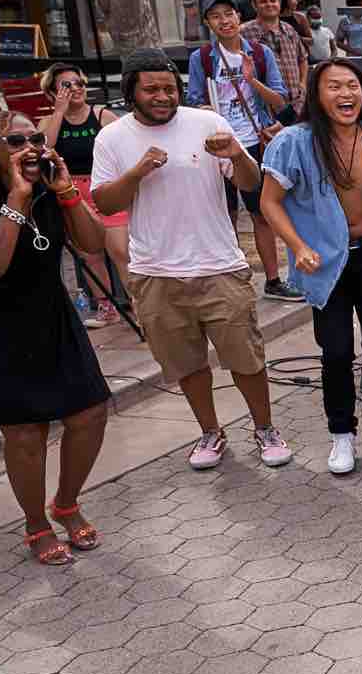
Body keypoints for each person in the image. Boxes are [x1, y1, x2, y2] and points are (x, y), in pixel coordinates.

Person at [90, 50, 294, 471]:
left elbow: (251, 182)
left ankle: (265, 429)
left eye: (168, 88)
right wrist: (137, 172)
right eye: (151, 89)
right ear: (131, 91)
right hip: (155, 274)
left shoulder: (207, 123)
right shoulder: (112, 139)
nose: (162, 96)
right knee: (187, 365)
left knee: (246, 358)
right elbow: (104, 202)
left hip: (219, 265)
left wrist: (237, 154)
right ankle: (210, 432)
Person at [0, 113, 112, 564]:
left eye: (35, 137)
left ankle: (66, 503)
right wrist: (17, 198)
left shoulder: (51, 184)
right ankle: (35, 524)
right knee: (26, 430)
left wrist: (67, 191)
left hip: (50, 313)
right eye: (15, 140)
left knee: (90, 413)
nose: (30, 147)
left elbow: (92, 243)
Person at [260, 58, 362, 475]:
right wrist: (297, 246)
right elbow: (269, 202)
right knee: (335, 352)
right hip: (324, 261)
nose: (345, 94)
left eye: (352, 85)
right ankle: (341, 435)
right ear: (317, 94)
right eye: (334, 87)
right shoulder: (294, 141)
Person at [185, 0, 301, 302]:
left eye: (229, 14)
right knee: (225, 213)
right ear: (209, 23)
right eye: (216, 16)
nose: (224, 21)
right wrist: (205, 112)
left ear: (239, 18)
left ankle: (274, 280)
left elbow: (280, 100)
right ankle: (232, 277)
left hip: (254, 143)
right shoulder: (203, 58)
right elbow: (194, 98)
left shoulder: (259, 54)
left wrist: (252, 80)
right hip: (218, 144)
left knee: (262, 212)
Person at [39, 63, 127, 328]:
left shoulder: (103, 116)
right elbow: (45, 149)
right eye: (66, 85)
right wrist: (59, 113)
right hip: (73, 191)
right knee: (90, 254)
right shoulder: (49, 121)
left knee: (120, 250)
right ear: (53, 93)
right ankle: (105, 306)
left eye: (78, 83)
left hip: (104, 187)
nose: (75, 89)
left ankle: (140, 303)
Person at [243, 0, 311, 102]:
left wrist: (303, 84)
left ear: (279, 3)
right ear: (254, 6)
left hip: (296, 101)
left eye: (272, 0)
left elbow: (303, 58)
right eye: (263, 2)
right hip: (266, 104)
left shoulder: (289, 30)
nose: (269, 4)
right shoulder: (244, 33)